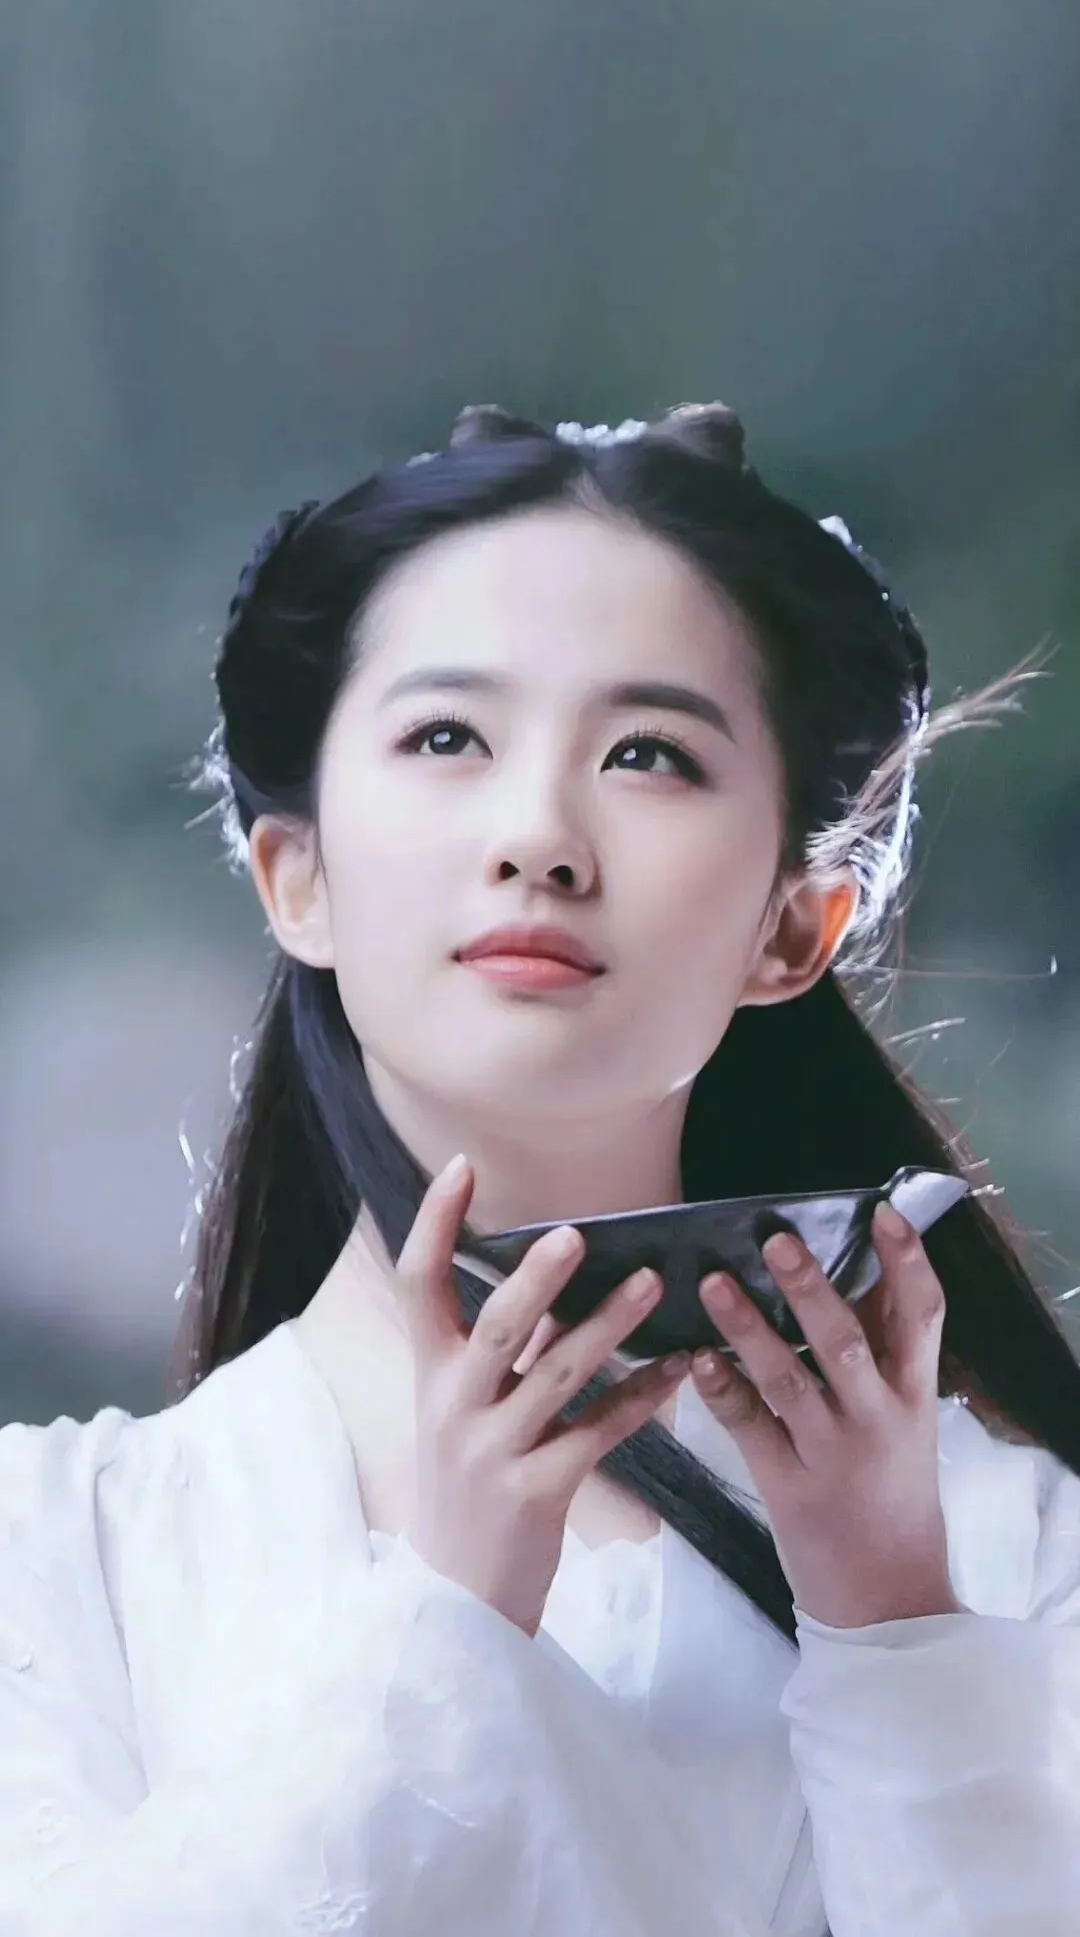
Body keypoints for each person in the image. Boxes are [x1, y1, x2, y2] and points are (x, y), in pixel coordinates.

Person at [1, 400, 1078, 1937]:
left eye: (649, 754)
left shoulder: (1008, 1545)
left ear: (795, 926)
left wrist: (896, 1626)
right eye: (447, 737)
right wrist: (446, 1613)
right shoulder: (60, 1551)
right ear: (296, 875)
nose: (540, 837)